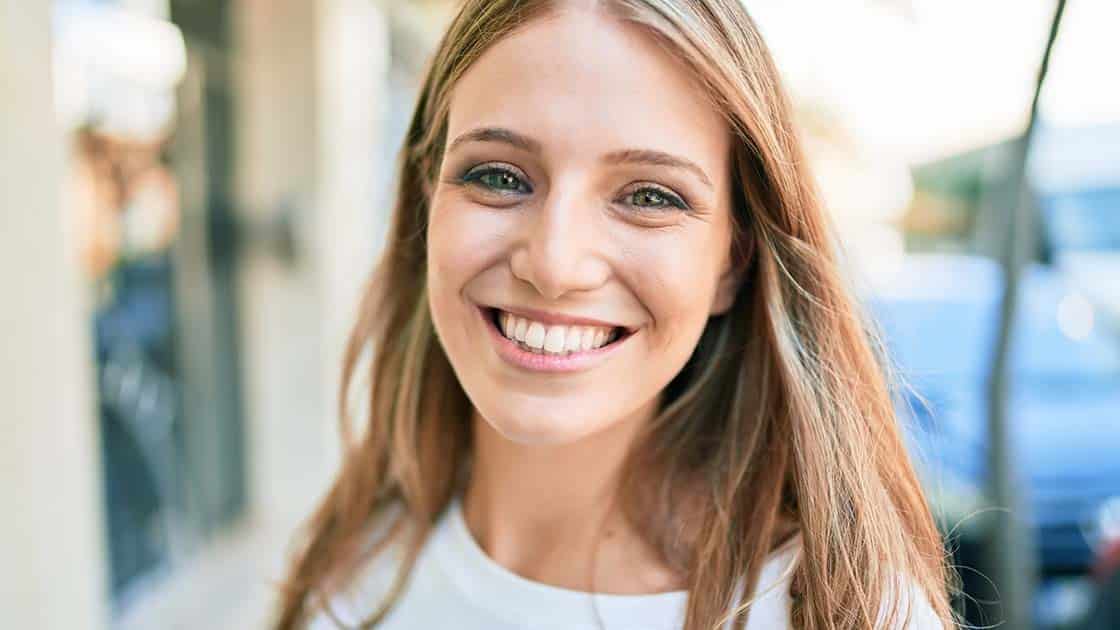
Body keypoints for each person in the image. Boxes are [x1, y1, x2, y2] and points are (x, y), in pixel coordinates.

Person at [275, 1, 956, 628]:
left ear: (733, 260)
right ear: (428, 204)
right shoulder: (352, 564)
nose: (554, 264)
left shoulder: (850, 613)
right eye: (498, 176)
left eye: (651, 196)